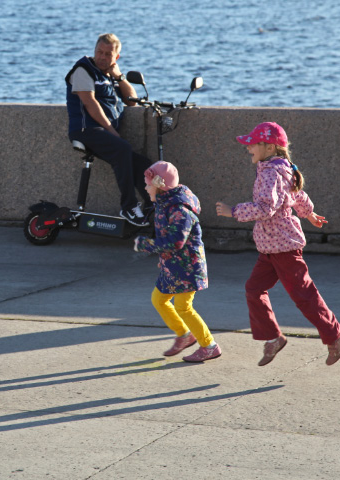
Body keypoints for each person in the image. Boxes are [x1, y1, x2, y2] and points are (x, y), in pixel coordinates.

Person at [215, 122, 340, 366]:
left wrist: (233, 211)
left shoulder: (271, 173)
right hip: (270, 247)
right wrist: (309, 213)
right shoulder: (278, 168)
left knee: (303, 295)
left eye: (252, 144)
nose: (248, 149)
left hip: (284, 247)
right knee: (254, 289)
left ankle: (335, 334)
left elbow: (266, 208)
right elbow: (295, 194)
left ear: (268, 147)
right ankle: (273, 338)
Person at [134, 161, 221, 362]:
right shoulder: (165, 204)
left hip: (188, 268)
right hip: (175, 266)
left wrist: (146, 245)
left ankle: (209, 346)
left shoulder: (179, 209)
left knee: (183, 307)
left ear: (160, 185)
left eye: (148, 184)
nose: (146, 188)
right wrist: (164, 259)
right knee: (159, 299)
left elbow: (176, 241)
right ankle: (184, 335)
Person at [65, 33, 151, 226]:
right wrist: (113, 132)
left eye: (107, 54)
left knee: (143, 163)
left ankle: (151, 207)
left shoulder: (109, 75)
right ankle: (128, 207)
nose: (102, 57)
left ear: (116, 58)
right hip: (86, 129)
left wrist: (119, 76)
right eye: (99, 52)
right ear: (94, 50)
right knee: (122, 149)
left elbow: (132, 101)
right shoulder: (83, 70)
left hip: (102, 132)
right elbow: (90, 103)